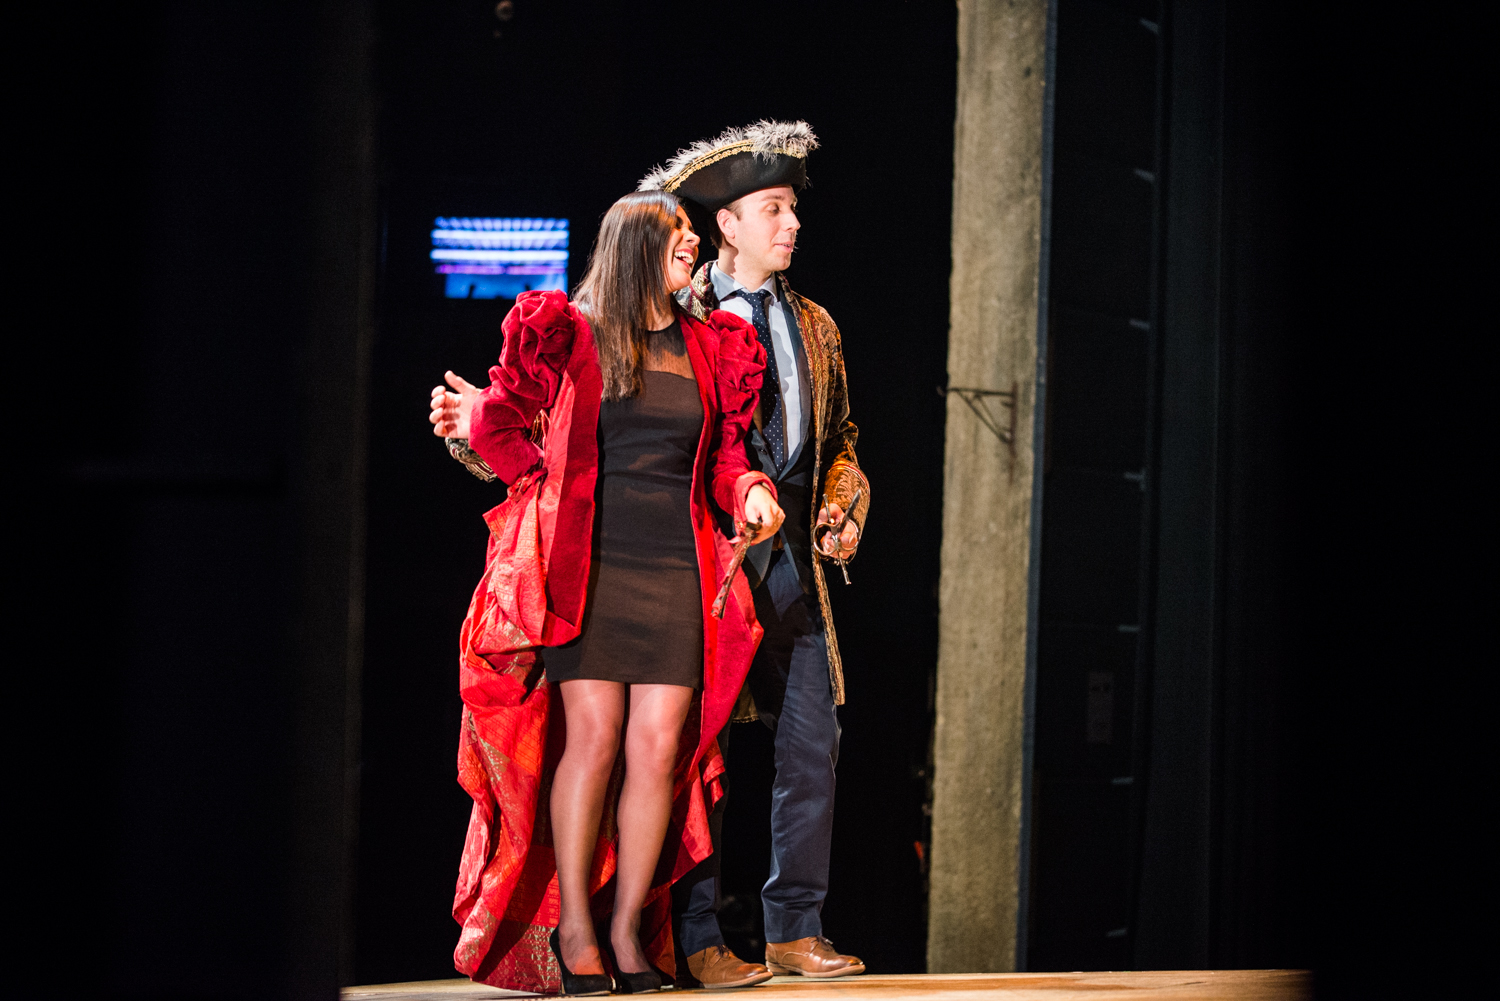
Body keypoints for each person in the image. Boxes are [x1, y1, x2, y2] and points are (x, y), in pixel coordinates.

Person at [430, 190, 785, 995]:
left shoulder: (711, 344)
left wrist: (751, 492)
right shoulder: (573, 334)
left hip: (674, 569)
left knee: (658, 752)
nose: (692, 244)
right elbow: (498, 426)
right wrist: (542, 491)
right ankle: (578, 933)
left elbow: (726, 459)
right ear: (634, 248)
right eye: (679, 234)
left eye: (693, 233)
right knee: (592, 740)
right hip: (588, 572)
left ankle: (629, 931)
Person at [637, 120, 872, 986]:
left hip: (793, 569)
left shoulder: (816, 326)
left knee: (813, 742)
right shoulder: (675, 312)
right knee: (701, 755)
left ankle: (793, 927)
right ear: (727, 224)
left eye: (793, 209)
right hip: (704, 564)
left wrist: (842, 508)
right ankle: (696, 934)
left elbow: (842, 438)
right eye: (773, 208)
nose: (792, 224)